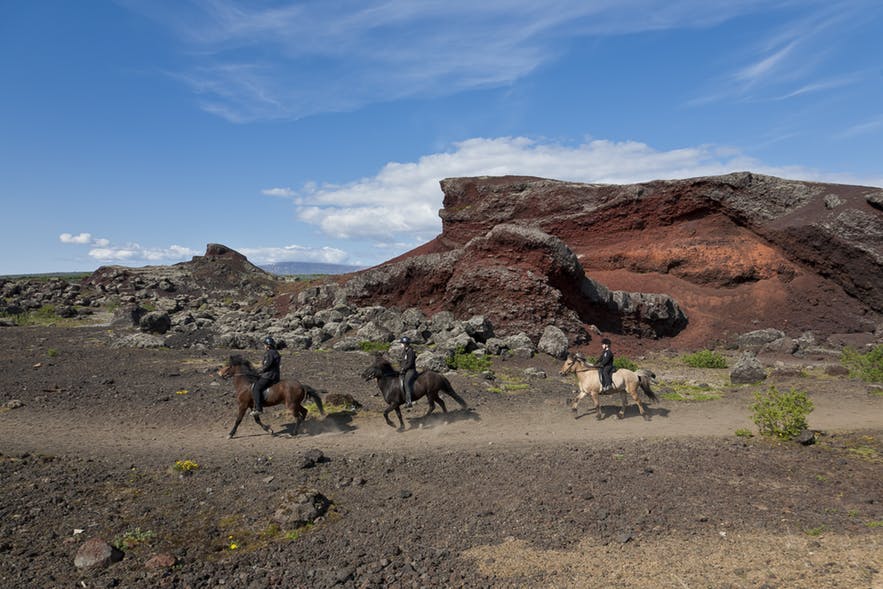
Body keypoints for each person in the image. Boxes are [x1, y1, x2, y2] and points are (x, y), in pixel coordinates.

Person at [251, 336, 281, 416]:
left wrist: (259, 371)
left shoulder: (270, 353)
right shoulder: (275, 352)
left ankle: (258, 409)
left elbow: (267, 365)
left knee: (256, 388)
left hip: (269, 376)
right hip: (275, 375)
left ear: (268, 345)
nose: (264, 346)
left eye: (264, 345)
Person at [399, 336, 417, 408]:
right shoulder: (404, 351)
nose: (401, 344)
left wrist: (404, 368)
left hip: (411, 370)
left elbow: (410, 363)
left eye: (402, 343)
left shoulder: (411, 352)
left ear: (405, 344)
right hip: (405, 370)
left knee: (406, 382)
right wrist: (401, 368)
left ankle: (409, 401)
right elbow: (403, 362)